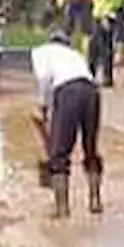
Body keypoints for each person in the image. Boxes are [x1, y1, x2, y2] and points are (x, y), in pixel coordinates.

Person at [31, 29, 103, 217]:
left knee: (59, 153)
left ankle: (62, 209)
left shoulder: (41, 52)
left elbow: (44, 78)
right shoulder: (75, 54)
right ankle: (95, 201)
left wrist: (43, 106)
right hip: (92, 92)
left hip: (68, 91)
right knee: (90, 147)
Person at [89, 0, 124, 87]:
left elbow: (107, 0)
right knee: (102, 47)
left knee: (99, 48)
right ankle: (104, 77)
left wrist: (105, 15)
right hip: (103, 15)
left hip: (104, 16)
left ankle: (98, 76)